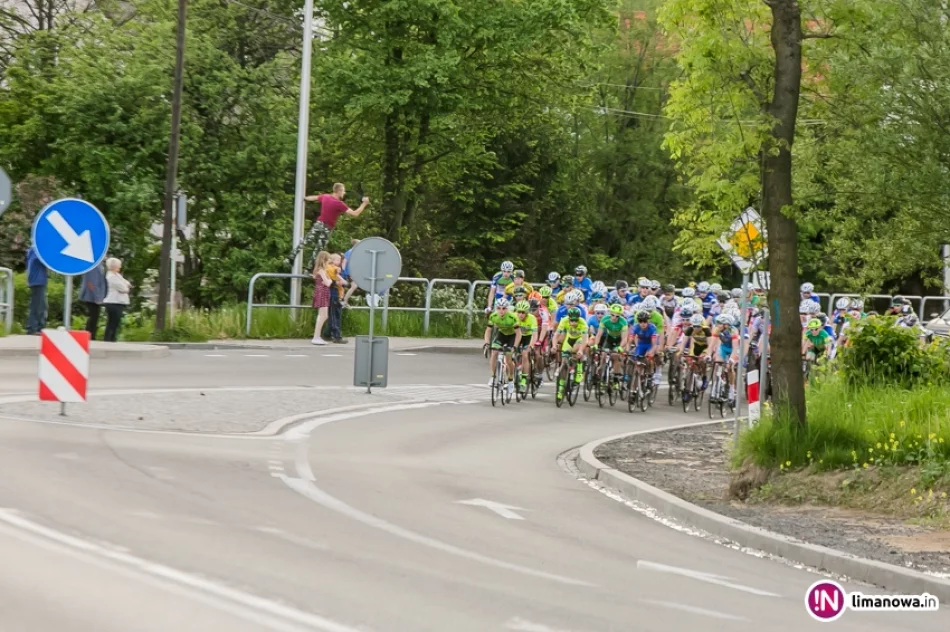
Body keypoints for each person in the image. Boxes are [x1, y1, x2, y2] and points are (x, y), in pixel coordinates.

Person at [289, 184, 370, 267]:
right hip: (327, 227)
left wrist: (304, 198)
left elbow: (314, 197)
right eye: (343, 191)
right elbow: (355, 213)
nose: (344, 193)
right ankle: (309, 267)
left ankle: (292, 255)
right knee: (318, 248)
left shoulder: (325, 197)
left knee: (307, 239)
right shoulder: (339, 204)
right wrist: (364, 204)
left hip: (319, 224)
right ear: (339, 191)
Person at [483, 298, 521, 394]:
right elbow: (488, 331)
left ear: (507, 309)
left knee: (508, 359)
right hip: (502, 335)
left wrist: (515, 346)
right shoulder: (493, 316)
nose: (501, 311)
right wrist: (487, 343)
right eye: (499, 308)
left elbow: (518, 334)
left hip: (512, 336)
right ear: (496, 308)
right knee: (494, 352)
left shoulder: (513, 317)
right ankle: (493, 376)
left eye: (504, 308)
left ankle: (511, 380)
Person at [103, 257, 131, 342]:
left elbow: (126, 282)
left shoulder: (117, 275)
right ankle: (108, 340)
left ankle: (112, 339)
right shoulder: (111, 277)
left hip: (118, 302)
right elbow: (124, 288)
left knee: (115, 323)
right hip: (113, 302)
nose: (120, 267)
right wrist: (126, 286)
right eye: (119, 266)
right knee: (112, 322)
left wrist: (126, 284)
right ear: (114, 266)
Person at [79, 262, 107, 340]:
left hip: (94, 297)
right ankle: (89, 337)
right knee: (92, 318)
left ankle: (90, 336)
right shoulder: (94, 266)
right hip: (91, 297)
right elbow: (92, 283)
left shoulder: (99, 266)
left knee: (94, 318)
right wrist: (97, 297)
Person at [311, 251, 333, 345]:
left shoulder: (319, 270)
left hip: (322, 292)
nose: (329, 262)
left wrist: (329, 281)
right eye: (328, 260)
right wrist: (330, 280)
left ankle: (317, 336)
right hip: (322, 293)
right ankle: (316, 336)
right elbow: (328, 283)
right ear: (324, 260)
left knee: (322, 315)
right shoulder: (321, 270)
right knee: (323, 316)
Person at [25, 245, 48, 335]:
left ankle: (34, 327)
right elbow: (43, 261)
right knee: (39, 305)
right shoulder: (37, 251)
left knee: (36, 305)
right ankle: (35, 328)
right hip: (38, 281)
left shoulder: (32, 250)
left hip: (35, 280)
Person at [325, 253, 348, 343]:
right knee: (335, 315)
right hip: (333, 292)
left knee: (334, 314)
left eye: (340, 260)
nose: (339, 262)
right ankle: (337, 336)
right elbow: (334, 274)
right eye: (337, 260)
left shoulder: (333, 269)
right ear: (332, 260)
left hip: (337, 293)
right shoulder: (330, 268)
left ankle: (327, 333)